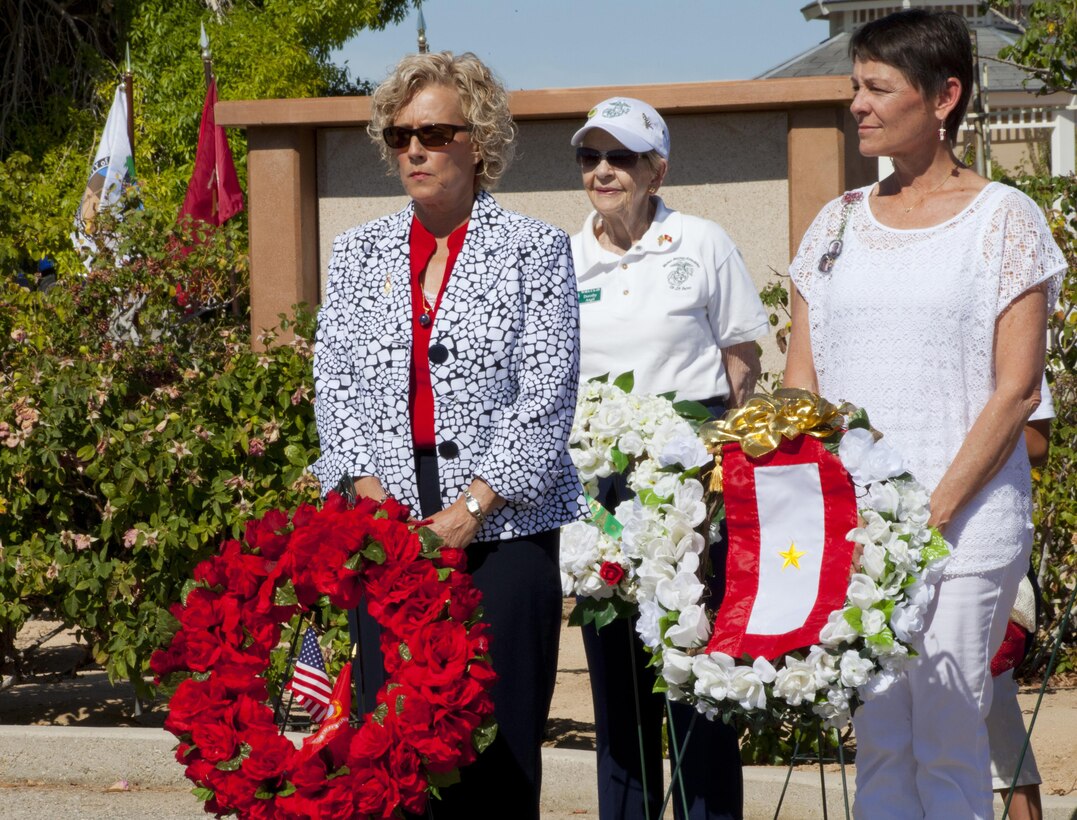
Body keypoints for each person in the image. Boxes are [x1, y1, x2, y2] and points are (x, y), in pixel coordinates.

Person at [782, 10, 1066, 818]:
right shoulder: (833, 223)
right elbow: (804, 382)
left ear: (943, 96)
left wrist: (928, 513)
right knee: (877, 736)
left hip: (966, 522)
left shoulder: (1004, 219)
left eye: (877, 87)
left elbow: (1014, 391)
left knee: (946, 736)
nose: (857, 106)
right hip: (856, 527)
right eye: (853, 88)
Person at [310, 51, 587, 820]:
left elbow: (545, 394)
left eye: (433, 132)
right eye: (399, 137)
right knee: (394, 750)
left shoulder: (535, 248)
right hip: (387, 527)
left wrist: (468, 513)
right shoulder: (358, 252)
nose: (414, 150)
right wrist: (369, 494)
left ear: (478, 140)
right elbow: (333, 382)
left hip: (505, 525)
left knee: (495, 756)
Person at [570, 96, 770, 820]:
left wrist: (724, 473)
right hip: (601, 488)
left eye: (619, 157)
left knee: (692, 671)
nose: (601, 171)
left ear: (657, 167)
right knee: (617, 683)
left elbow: (740, 360)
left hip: (691, 480)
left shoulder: (701, 241)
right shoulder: (567, 254)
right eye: (589, 157)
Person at [985, 375, 1055, 820]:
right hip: (891, 543)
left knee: (995, 710)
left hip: (984, 543)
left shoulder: (1012, 341)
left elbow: (1037, 443)